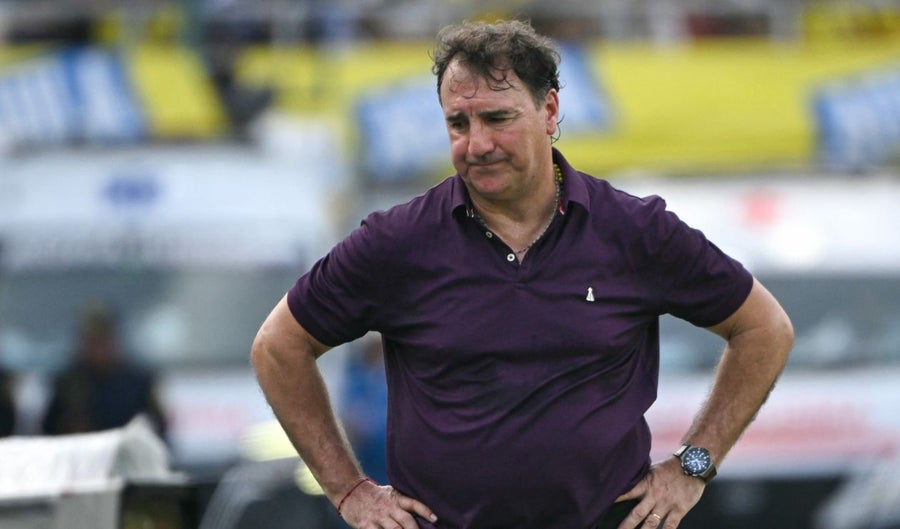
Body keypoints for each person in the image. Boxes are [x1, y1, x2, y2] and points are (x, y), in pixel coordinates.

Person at [251, 19, 793, 529]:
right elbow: (279, 347)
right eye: (458, 123)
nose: (477, 144)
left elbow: (763, 328)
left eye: (497, 119)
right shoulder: (399, 241)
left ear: (549, 110)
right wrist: (349, 490)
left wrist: (693, 466)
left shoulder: (633, 230)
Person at [41, 303, 168, 439]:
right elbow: (49, 429)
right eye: (92, 343)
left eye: (103, 342)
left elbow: (158, 426)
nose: (98, 350)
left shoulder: (137, 383)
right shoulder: (67, 383)